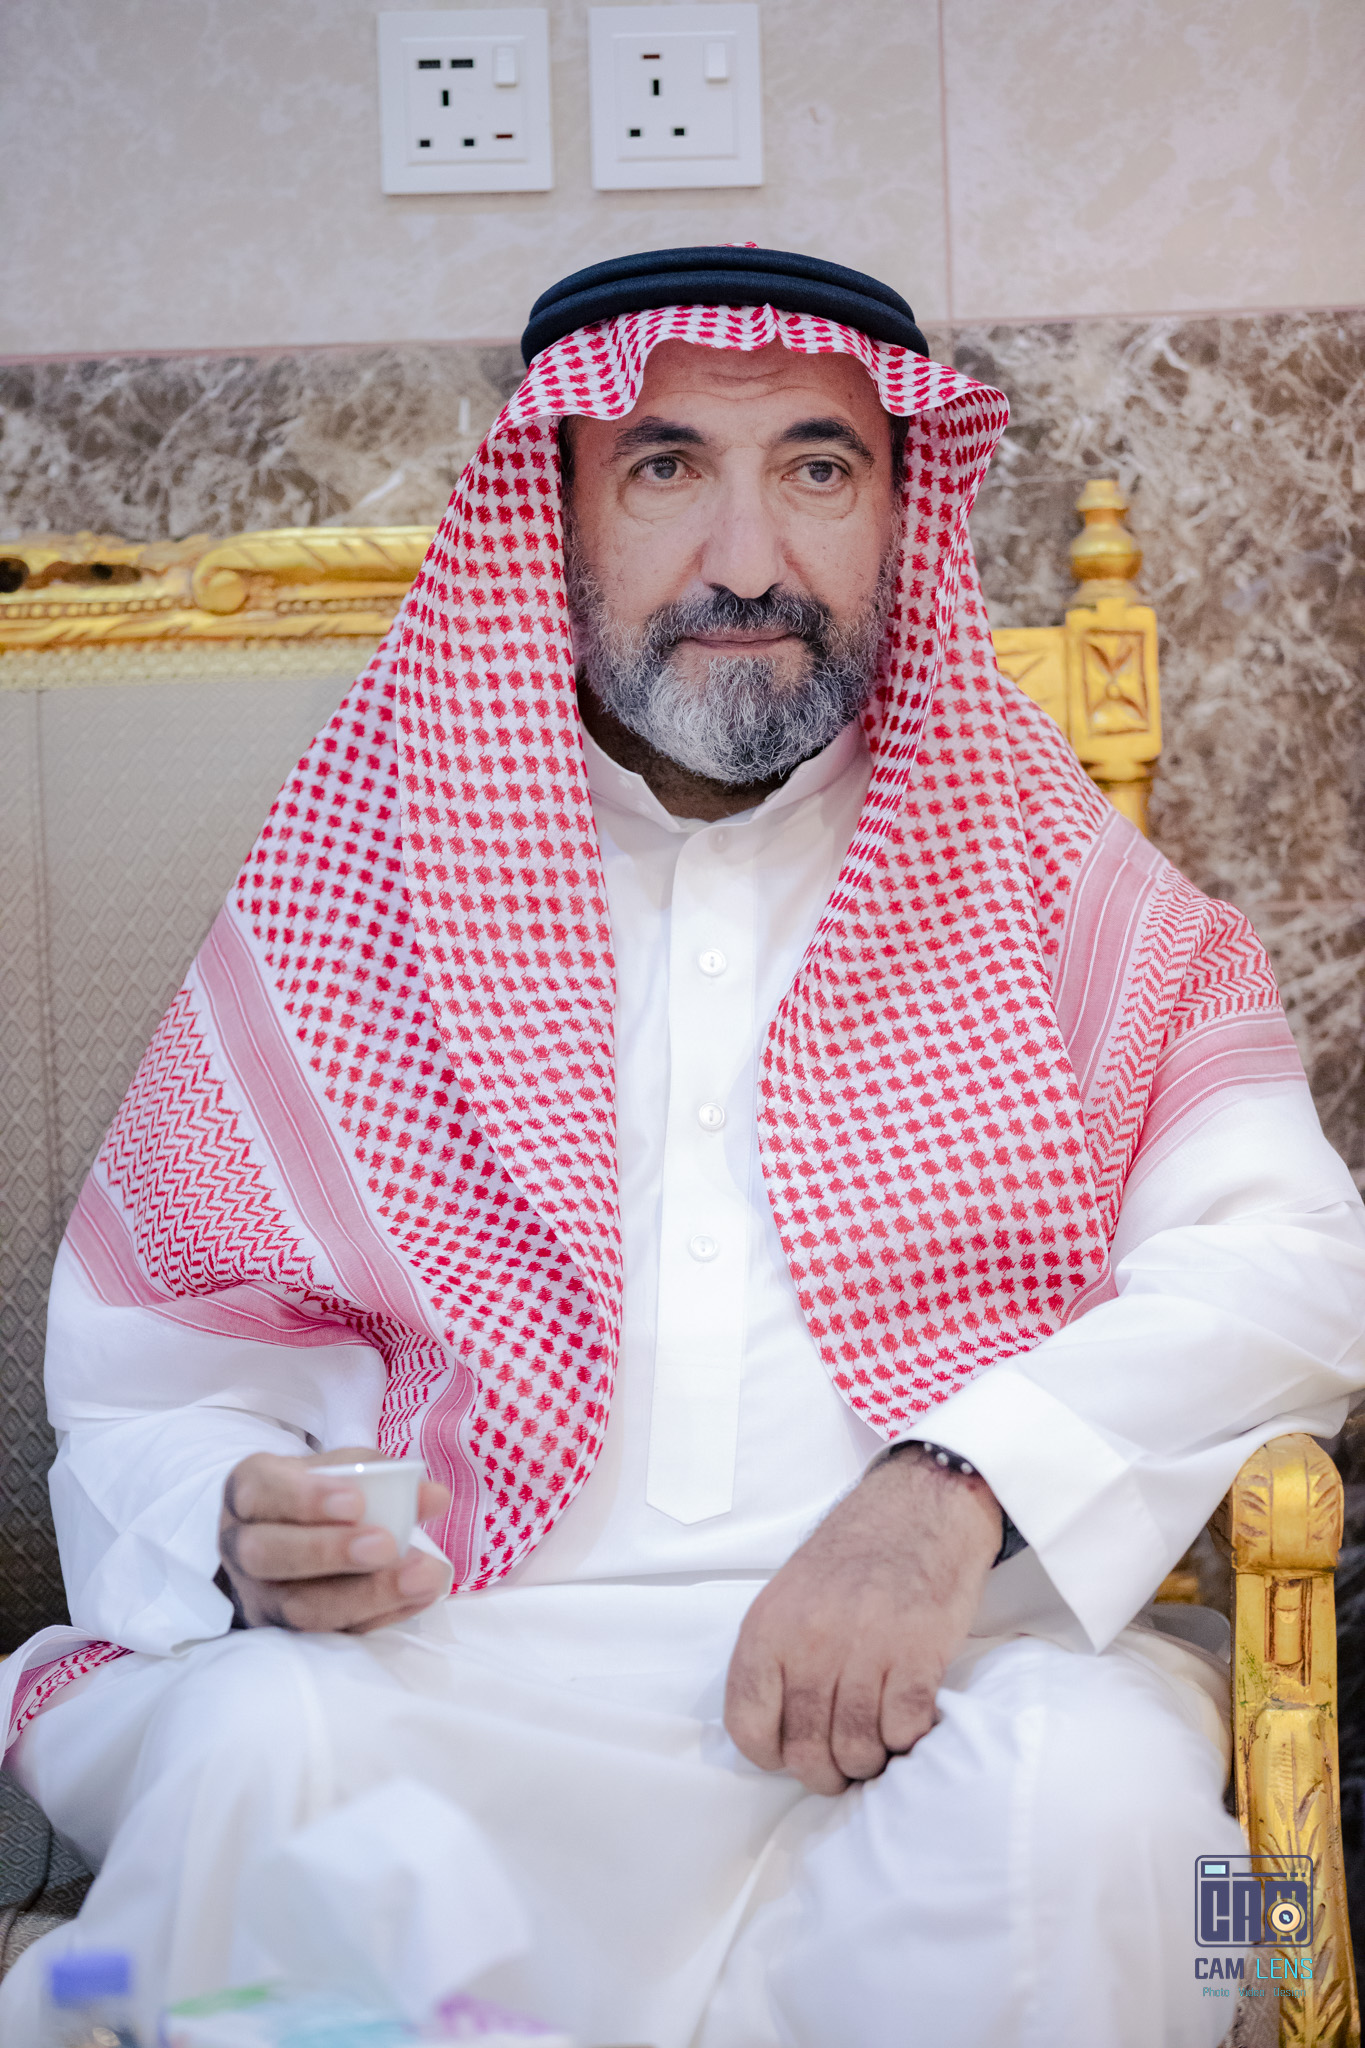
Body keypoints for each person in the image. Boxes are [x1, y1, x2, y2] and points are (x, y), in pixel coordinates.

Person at [2, 247, 1363, 2048]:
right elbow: (154, 1375)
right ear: (555, 512)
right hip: (442, 1678)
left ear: (899, 513)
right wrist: (237, 1530)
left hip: (938, 1687)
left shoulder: (1060, 890)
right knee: (261, 1751)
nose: (745, 557)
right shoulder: (365, 885)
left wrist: (951, 1491)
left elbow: (1291, 1262)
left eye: (818, 467)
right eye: (663, 467)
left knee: (1095, 1819)